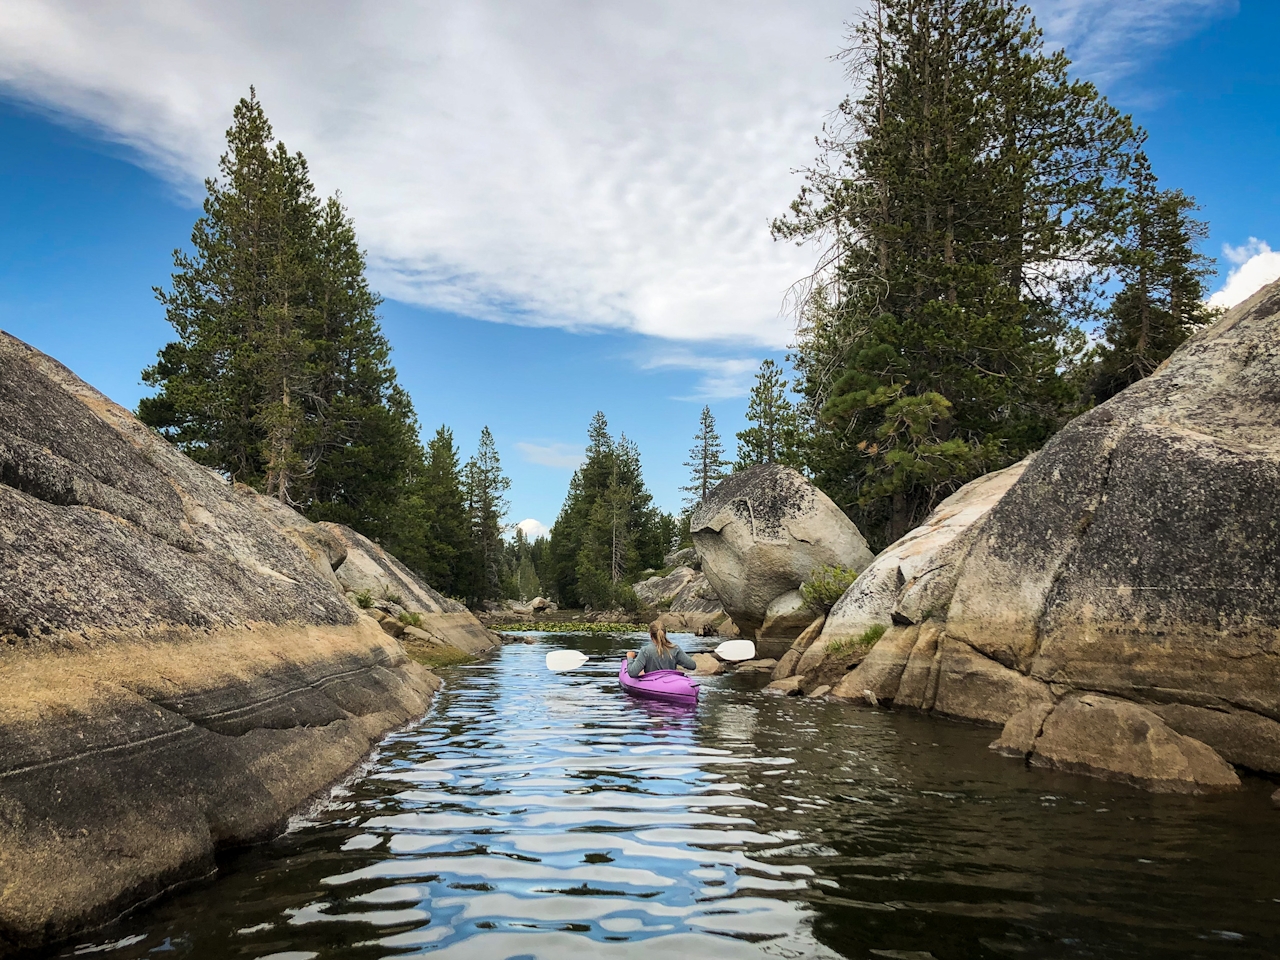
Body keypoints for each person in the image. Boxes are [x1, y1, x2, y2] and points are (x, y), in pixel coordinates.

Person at [626, 621, 697, 677]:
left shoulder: (645, 651)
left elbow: (632, 673)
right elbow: (692, 666)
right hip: (671, 683)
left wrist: (630, 658)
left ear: (650, 634)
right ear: (665, 633)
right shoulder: (675, 649)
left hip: (653, 685)